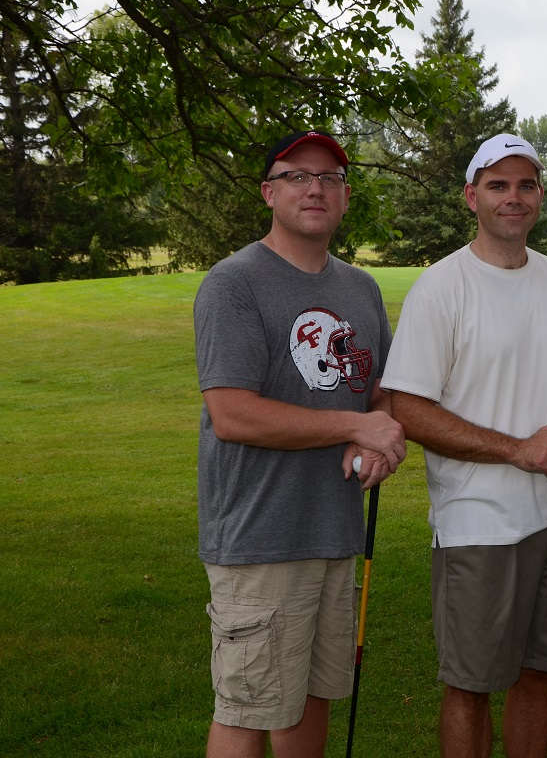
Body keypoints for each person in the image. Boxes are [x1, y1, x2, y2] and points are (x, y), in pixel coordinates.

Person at [381, 133, 547, 758]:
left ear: (539, 194)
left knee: (541, 672)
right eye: (498, 186)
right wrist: (519, 450)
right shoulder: (441, 287)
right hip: (478, 521)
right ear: (471, 197)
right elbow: (408, 407)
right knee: (472, 683)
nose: (515, 198)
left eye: (526, 185)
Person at [194, 130, 407, 757]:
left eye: (331, 178)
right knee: (248, 706)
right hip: (261, 539)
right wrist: (352, 426)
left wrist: (378, 433)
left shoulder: (360, 289)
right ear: (268, 192)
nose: (315, 188)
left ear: (344, 198)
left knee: (311, 700)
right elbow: (232, 413)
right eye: (296, 175)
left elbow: (379, 393)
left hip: (333, 533)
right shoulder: (234, 283)